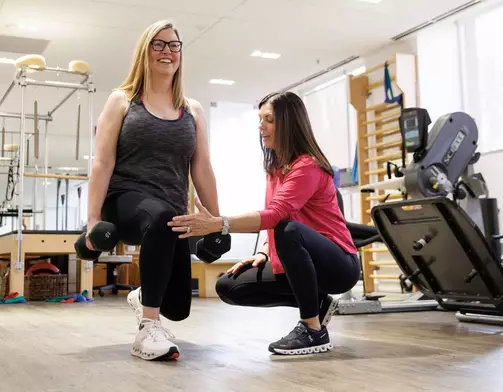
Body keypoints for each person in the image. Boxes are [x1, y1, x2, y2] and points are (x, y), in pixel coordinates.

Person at [168, 91, 360, 355]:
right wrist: (263, 251)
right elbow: (274, 213)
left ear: (289, 122)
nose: (261, 126)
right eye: (260, 119)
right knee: (229, 286)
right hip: (302, 258)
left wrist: (217, 224)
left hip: (339, 266)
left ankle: (313, 330)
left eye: (268, 119)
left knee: (287, 228)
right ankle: (318, 304)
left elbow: (276, 216)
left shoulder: (307, 166)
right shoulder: (275, 168)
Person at [85, 19, 221, 361]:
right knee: (159, 216)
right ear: (144, 52)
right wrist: (92, 221)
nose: (167, 51)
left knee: (178, 307)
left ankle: (145, 297)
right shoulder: (122, 101)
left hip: (171, 212)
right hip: (125, 201)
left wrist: (216, 222)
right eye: (158, 44)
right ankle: (147, 329)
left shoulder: (192, 110)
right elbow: (102, 163)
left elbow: (202, 166)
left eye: (174, 45)